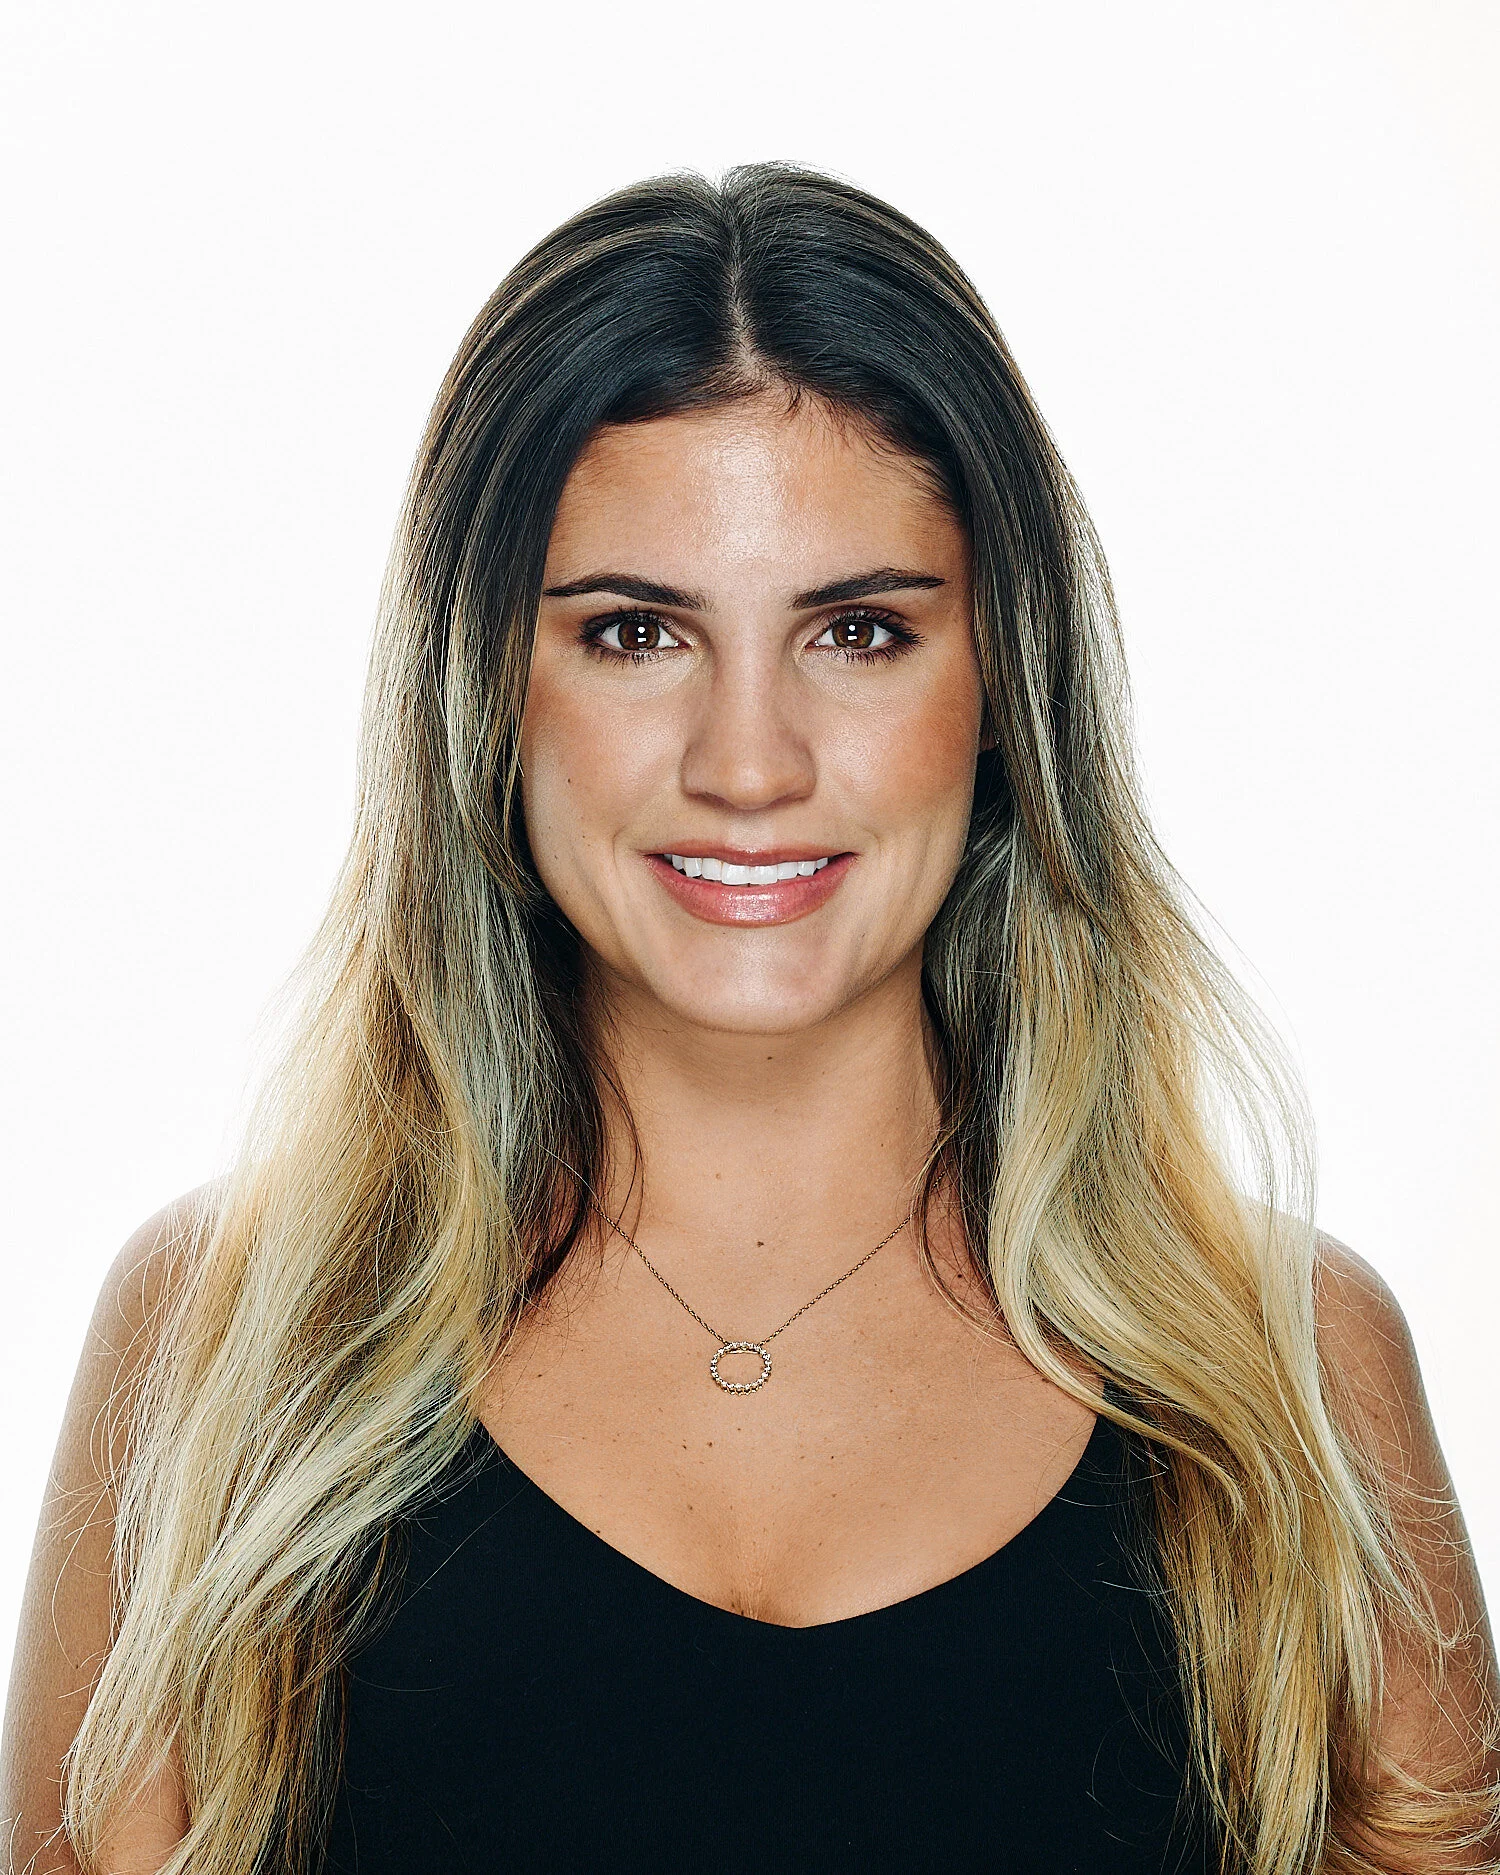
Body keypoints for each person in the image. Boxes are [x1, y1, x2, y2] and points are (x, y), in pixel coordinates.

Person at [3, 163, 1496, 1875]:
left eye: (859, 631)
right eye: (634, 632)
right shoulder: (225, 1351)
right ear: (489, 687)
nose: (750, 764)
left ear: (1001, 682)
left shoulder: (1291, 1374)